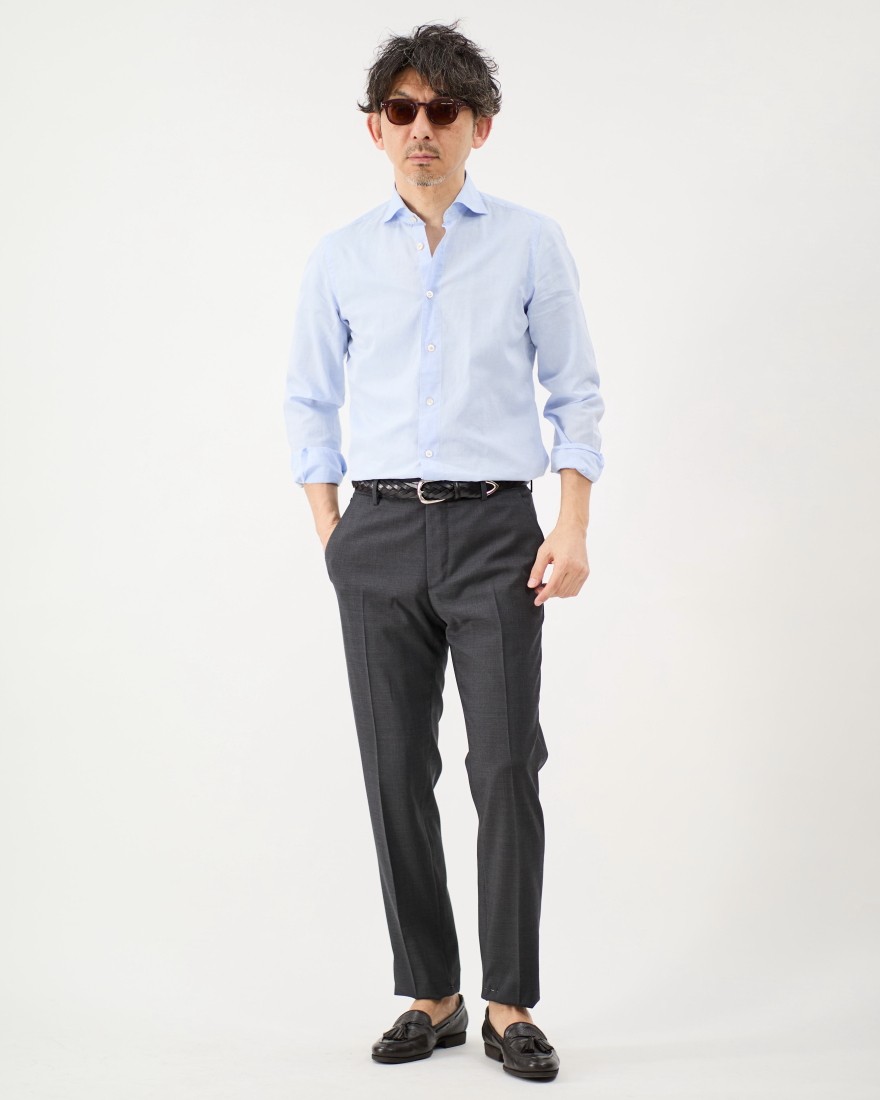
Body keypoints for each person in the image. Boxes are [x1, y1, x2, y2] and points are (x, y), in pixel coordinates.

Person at [282, 21, 604, 1083]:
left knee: (505, 763)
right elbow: (309, 402)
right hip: (373, 532)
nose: (421, 128)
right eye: (402, 110)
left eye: (443, 110)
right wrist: (333, 536)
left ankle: (509, 1001)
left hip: (495, 531)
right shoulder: (340, 256)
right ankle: (432, 991)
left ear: (479, 127)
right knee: (394, 768)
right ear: (375, 128)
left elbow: (575, 392)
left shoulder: (529, 242)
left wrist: (571, 523)